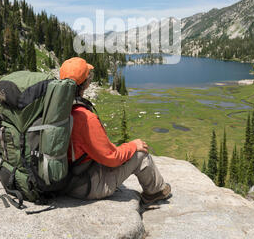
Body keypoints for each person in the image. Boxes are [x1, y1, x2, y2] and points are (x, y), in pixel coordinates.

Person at [59, 57, 171, 205]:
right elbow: (111, 158)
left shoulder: (56, 109)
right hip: (84, 186)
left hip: (64, 179)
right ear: (85, 84)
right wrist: (133, 146)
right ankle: (155, 192)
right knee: (141, 154)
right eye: (88, 76)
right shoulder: (84, 118)